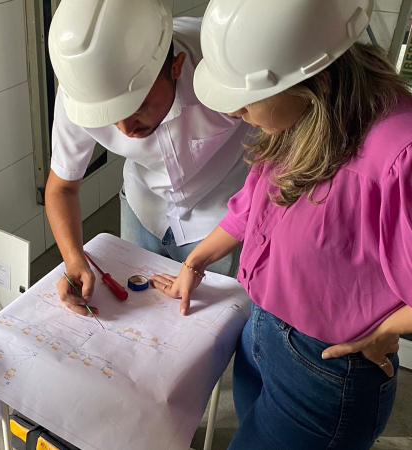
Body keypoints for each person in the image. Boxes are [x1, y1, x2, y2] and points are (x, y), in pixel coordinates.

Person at [150, 0, 412, 448]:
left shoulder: (398, 152)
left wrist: (385, 331)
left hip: (327, 368)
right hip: (262, 331)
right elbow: (251, 210)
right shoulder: (300, 116)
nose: (234, 112)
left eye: (246, 100)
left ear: (312, 80)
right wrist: (193, 264)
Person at [46, 0, 252, 316]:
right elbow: (61, 187)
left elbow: (278, 164)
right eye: (109, 118)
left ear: (176, 66)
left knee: (204, 320)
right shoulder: (83, 92)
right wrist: (75, 261)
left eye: (138, 107)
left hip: (219, 215)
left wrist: (199, 262)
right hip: (143, 206)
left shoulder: (229, 66)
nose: (126, 129)